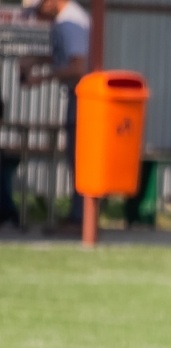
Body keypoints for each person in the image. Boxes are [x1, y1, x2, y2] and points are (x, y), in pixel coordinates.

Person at [19, 0, 90, 224]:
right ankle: (78, 215)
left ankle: (81, 218)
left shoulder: (71, 23)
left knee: (80, 157)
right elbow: (66, 56)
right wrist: (38, 60)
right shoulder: (65, 21)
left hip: (84, 98)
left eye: (39, 9)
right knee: (74, 156)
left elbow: (78, 67)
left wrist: (41, 78)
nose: (39, 17)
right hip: (77, 96)